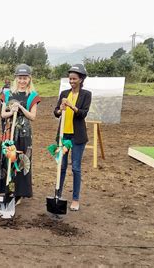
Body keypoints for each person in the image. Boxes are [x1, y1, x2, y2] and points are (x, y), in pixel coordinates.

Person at [0, 64, 41, 205]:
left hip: (24, 133)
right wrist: (11, 111)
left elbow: (33, 117)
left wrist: (21, 107)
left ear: (29, 79)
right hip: (9, 131)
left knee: (21, 161)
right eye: (20, 78)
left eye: (25, 78)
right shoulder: (8, 93)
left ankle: (19, 193)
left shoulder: (33, 96)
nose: (22, 81)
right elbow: (3, 114)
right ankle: (8, 189)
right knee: (8, 160)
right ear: (16, 78)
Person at [53, 64, 92, 211]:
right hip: (64, 135)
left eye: (74, 79)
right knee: (61, 166)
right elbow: (55, 112)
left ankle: (75, 199)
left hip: (77, 137)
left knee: (75, 167)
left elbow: (83, 114)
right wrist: (59, 109)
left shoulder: (86, 94)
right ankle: (58, 194)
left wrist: (71, 106)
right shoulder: (64, 93)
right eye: (70, 79)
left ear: (81, 79)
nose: (72, 81)